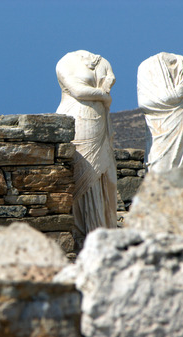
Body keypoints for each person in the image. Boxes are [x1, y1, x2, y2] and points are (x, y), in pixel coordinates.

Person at [55, 50, 117, 237]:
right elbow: (78, 91)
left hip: (100, 123)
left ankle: (101, 227)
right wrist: (104, 96)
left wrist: (102, 94)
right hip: (78, 118)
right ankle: (82, 232)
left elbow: (108, 81)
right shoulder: (66, 61)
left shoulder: (103, 61)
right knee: (84, 172)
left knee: (105, 177)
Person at [137, 52, 183, 173]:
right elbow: (145, 103)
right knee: (159, 173)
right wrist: (172, 97)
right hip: (161, 129)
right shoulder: (147, 67)